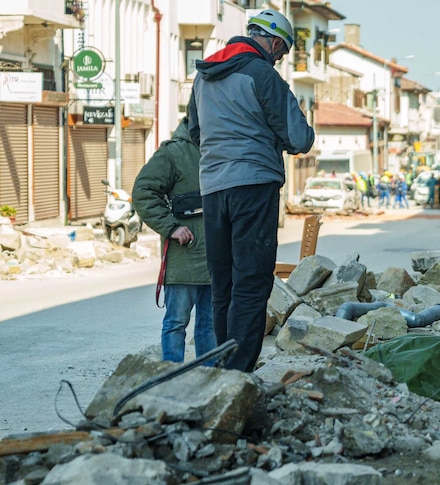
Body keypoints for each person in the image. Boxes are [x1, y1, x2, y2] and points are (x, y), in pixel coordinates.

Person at [188, 9, 314, 372]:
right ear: (275, 42)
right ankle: (239, 373)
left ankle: (223, 362)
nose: (280, 59)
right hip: (254, 186)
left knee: (222, 281)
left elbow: (196, 132)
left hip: (212, 188)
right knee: (252, 281)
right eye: (282, 52)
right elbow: (299, 138)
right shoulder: (262, 74)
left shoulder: (203, 76)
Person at [132, 117, 216, 365]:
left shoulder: (221, 151)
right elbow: (143, 192)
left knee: (210, 325)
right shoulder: (173, 153)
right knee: (176, 322)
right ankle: (170, 376)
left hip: (216, 260)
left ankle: (208, 380)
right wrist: (171, 227)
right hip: (184, 258)